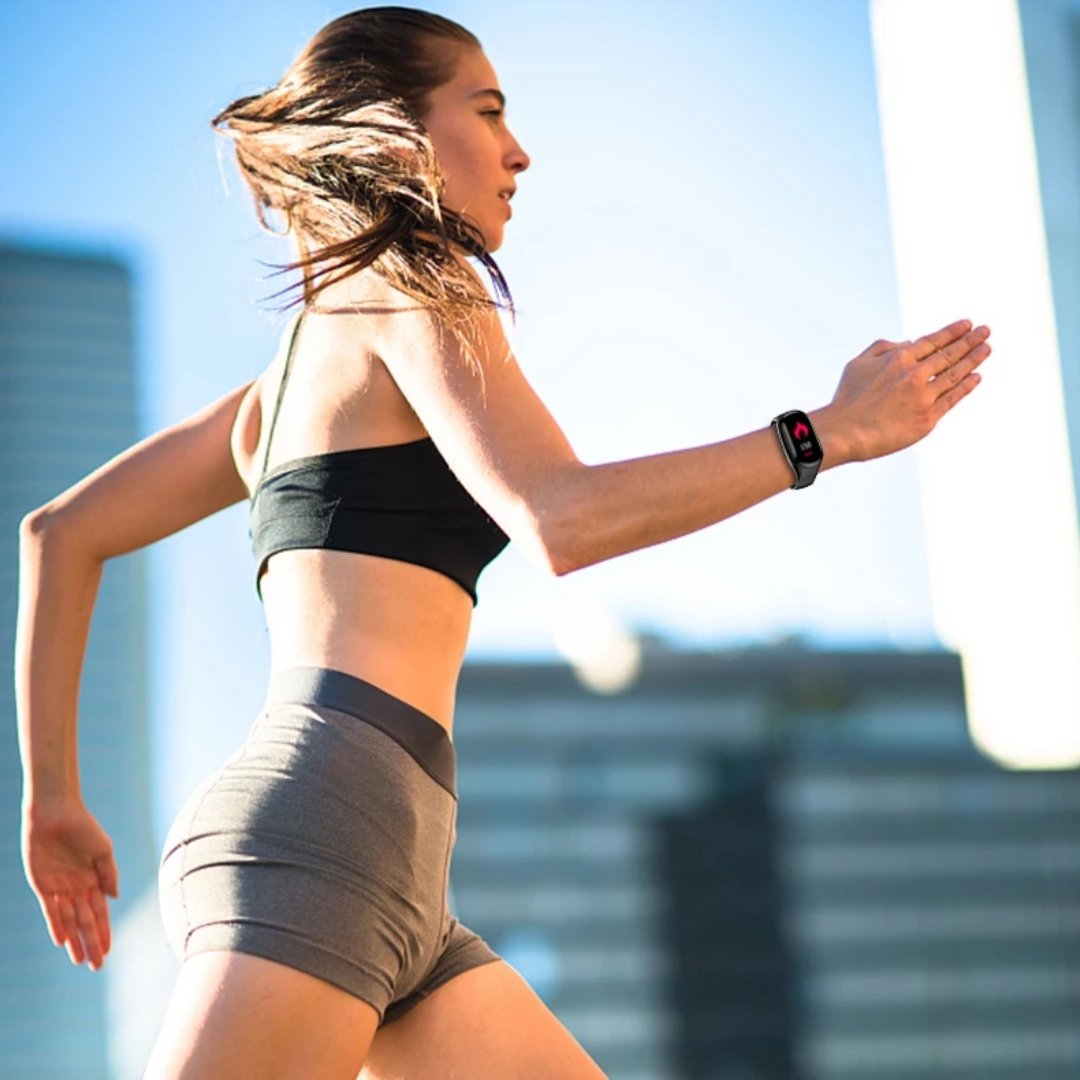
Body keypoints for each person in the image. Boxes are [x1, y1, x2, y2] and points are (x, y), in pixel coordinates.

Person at [15, 6, 992, 1078]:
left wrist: (53, 798)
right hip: (329, 837)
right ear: (397, 135)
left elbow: (61, 535)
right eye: (486, 112)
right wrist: (824, 436)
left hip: (390, 873)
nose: (520, 150)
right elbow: (562, 518)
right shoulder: (410, 282)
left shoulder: (278, 390)